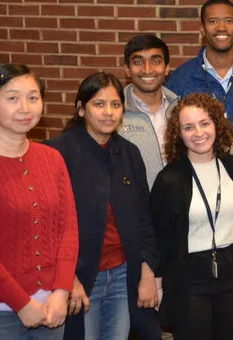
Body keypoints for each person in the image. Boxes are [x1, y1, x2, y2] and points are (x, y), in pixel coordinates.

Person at [0, 64, 77, 339]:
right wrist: (20, 303)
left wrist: (61, 290)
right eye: (12, 98)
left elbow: (67, 230)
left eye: (33, 97)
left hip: (50, 305)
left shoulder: (52, 159)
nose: (25, 107)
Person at [44, 73, 161, 340]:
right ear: (81, 108)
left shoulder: (129, 153)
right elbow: (48, 225)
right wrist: (66, 278)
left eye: (116, 104)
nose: (108, 113)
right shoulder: (57, 154)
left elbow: (144, 217)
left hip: (122, 275)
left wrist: (147, 269)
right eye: (99, 104)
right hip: (82, 277)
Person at [150, 94, 233, 340]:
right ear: (179, 134)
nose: (198, 132)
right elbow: (160, 238)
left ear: (216, 124)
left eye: (205, 123)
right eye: (188, 127)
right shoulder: (169, 179)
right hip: (189, 279)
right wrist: (157, 284)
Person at [167, 0, 233, 127]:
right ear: (202, 28)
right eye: (213, 21)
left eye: (229, 21)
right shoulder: (180, 79)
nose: (221, 27)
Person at [119, 34, 180, 188]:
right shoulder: (115, 114)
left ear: (166, 68)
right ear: (127, 69)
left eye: (156, 61)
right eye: (138, 62)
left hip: (179, 205)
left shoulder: (181, 110)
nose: (147, 69)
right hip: (134, 207)